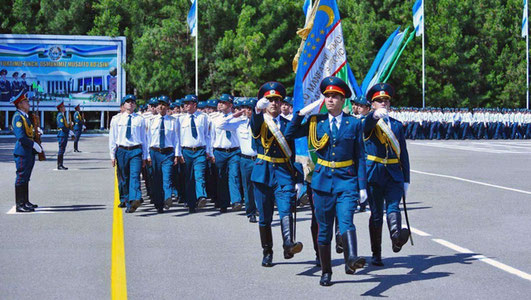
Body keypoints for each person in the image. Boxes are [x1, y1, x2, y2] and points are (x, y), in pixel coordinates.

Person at [285, 76, 368, 286]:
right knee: (324, 230)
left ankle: (351, 258)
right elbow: (290, 133)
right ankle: (326, 270)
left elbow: (360, 156)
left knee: (346, 220)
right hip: (321, 181)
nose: (330, 100)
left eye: (335, 96)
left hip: (346, 180)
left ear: (343, 100)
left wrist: (362, 185)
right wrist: (301, 114)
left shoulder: (354, 124)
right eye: (327, 96)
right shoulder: (315, 122)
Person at [251, 81, 303, 268]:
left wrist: (297, 178)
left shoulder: (288, 124)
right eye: (270, 100)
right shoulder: (259, 121)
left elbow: (293, 153)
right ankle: (267, 252)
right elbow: (255, 124)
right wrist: (257, 109)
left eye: (277, 100)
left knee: (285, 209)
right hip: (263, 172)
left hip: (283, 172)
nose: (273, 103)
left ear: (282, 103)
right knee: (265, 216)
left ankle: (288, 244)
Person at [363, 83, 411, 267]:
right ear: (372, 104)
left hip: (393, 173)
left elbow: (403, 153)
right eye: (379, 100)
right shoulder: (369, 122)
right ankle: (377, 253)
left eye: (386, 100)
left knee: (393, 207)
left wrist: (406, 179)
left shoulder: (397, 126)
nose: (383, 103)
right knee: (376, 215)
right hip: (374, 173)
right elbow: (365, 127)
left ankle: (396, 237)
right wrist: (373, 117)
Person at [215, 98, 258, 222]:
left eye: (250, 109)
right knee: (248, 186)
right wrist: (234, 115)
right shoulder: (239, 123)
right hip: (245, 159)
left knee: (260, 186)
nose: (248, 111)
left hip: (259, 158)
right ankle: (251, 212)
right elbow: (220, 125)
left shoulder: (261, 123)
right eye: (246, 109)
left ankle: (260, 208)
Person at [109, 95, 148, 213]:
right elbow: (112, 138)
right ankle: (127, 200)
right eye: (128, 102)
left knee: (135, 175)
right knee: (124, 178)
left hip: (136, 150)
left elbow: (144, 138)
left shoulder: (140, 119)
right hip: (121, 150)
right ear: (124, 105)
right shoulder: (116, 119)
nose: (130, 104)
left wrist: (145, 156)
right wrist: (112, 155)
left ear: (135, 105)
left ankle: (135, 198)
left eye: (132, 102)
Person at [146, 96, 181, 214]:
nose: (161, 107)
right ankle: (158, 203)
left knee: (167, 177)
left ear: (167, 107)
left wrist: (177, 155)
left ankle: (167, 198)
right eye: (159, 104)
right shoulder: (151, 121)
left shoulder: (173, 121)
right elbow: (147, 139)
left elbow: (177, 139)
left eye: (164, 105)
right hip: (155, 152)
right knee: (156, 179)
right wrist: (148, 155)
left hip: (168, 152)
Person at [179, 94, 212, 213]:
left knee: (199, 175)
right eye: (185, 103)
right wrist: (178, 154)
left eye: (188, 103)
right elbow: (177, 138)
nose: (186, 105)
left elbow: (208, 136)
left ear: (195, 104)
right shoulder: (180, 119)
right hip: (186, 151)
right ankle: (191, 203)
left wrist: (209, 151)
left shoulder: (203, 117)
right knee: (188, 178)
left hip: (200, 150)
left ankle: (201, 196)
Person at [210, 94, 243, 213]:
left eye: (223, 102)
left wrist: (233, 116)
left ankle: (236, 201)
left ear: (230, 104)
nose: (220, 104)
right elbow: (211, 136)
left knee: (234, 175)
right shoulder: (215, 118)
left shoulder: (237, 118)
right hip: (219, 151)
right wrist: (210, 153)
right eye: (219, 102)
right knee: (221, 177)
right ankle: (223, 202)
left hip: (234, 151)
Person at [11, 91, 43, 212]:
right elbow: (21, 137)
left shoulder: (25, 117)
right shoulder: (18, 117)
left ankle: (25, 201)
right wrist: (33, 144)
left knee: (26, 177)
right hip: (22, 151)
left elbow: (29, 133)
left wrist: (37, 132)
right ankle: (19, 205)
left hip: (28, 151)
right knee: (21, 177)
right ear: (19, 104)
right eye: (25, 102)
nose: (28, 104)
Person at [56, 101, 72, 170]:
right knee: (61, 150)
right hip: (62, 134)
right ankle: (59, 165)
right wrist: (69, 131)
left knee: (62, 150)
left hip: (63, 134)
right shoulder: (60, 115)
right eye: (63, 107)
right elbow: (62, 126)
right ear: (60, 108)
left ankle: (61, 164)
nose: (64, 108)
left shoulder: (62, 115)